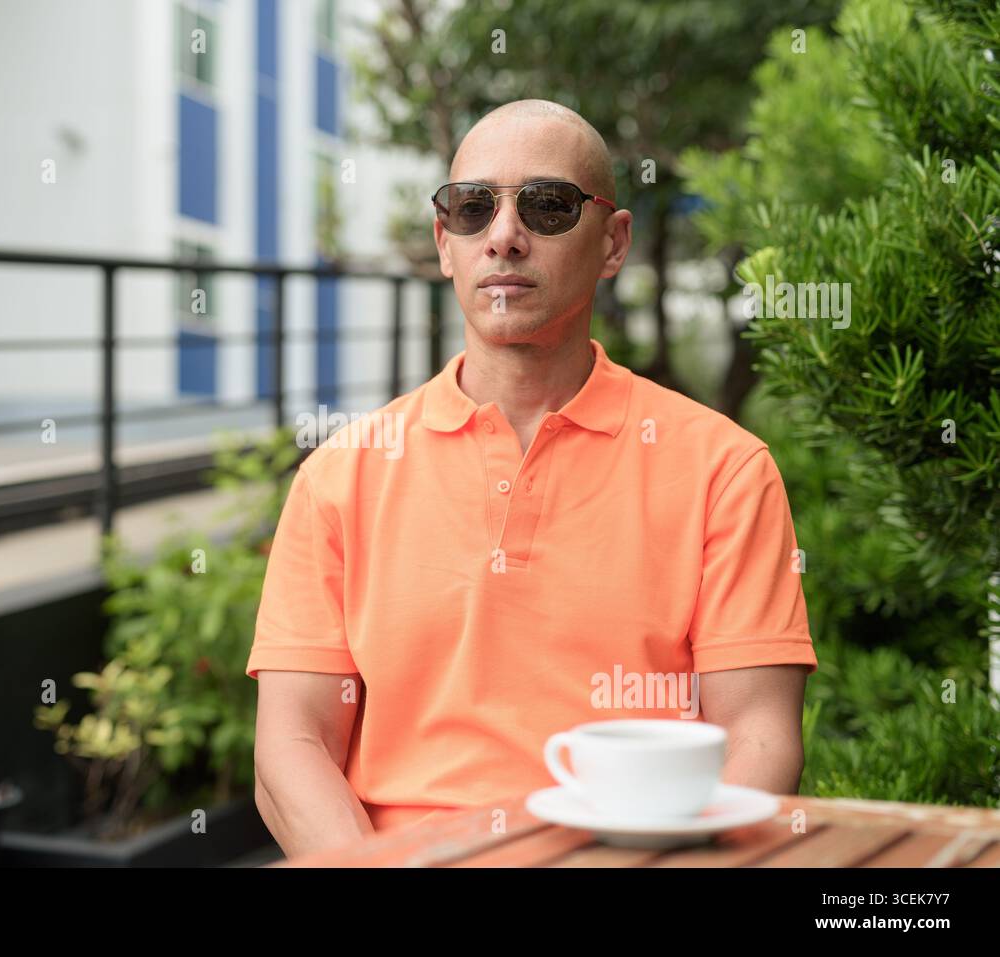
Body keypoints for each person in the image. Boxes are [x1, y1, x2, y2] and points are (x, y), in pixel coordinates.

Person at [247, 99, 817, 859]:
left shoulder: (724, 471)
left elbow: (761, 736)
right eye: (473, 208)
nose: (505, 236)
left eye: (547, 207)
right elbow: (290, 746)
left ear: (612, 244)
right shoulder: (338, 478)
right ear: (446, 244)